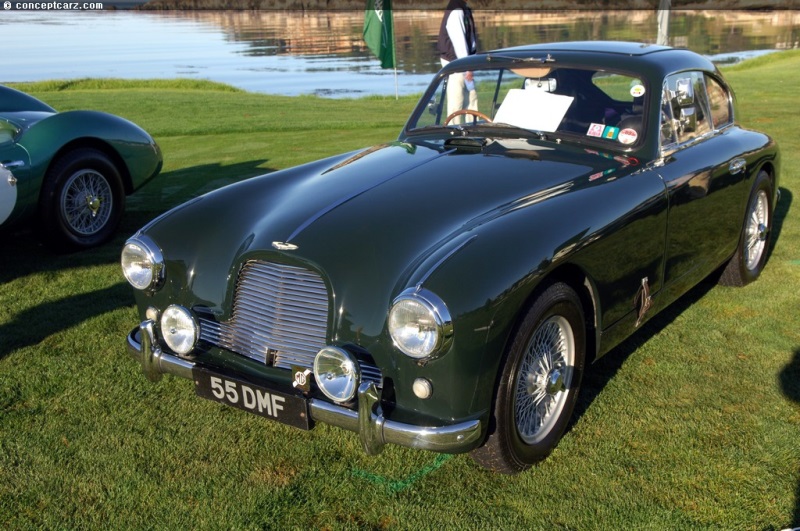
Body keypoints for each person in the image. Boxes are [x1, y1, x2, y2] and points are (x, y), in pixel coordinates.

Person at [437, 0, 478, 123]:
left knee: (472, 98)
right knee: (457, 101)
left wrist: (473, 60)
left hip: (464, 62)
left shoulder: (463, 8)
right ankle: (453, 133)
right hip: (456, 64)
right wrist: (468, 67)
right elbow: (459, 42)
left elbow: (471, 40)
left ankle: (473, 130)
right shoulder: (456, 11)